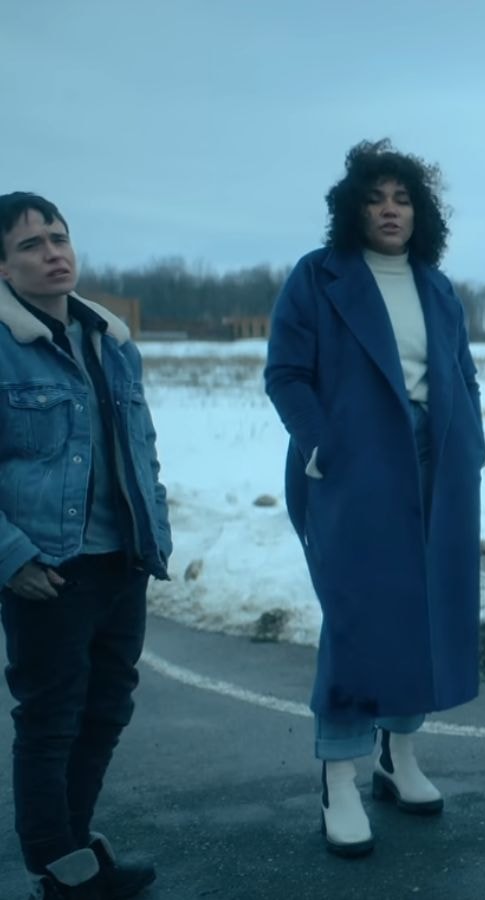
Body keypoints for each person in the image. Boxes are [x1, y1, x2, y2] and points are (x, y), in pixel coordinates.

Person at [265, 139, 485, 858]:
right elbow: (285, 374)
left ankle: (401, 755)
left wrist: (471, 453)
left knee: (425, 613)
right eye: (376, 198)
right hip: (355, 468)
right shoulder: (318, 278)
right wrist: (322, 445)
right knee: (359, 617)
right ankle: (338, 775)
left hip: (437, 468)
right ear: (351, 208)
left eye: (404, 199)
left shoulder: (437, 285)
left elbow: (463, 377)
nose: (391, 210)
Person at [0, 192, 170, 899]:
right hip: (49, 571)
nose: (53, 253)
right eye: (32, 245)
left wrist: (153, 533)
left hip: (119, 562)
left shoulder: (109, 339)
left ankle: (73, 844)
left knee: (105, 710)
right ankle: (57, 863)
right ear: (3, 267)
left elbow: (141, 447)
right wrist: (11, 558)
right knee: (51, 718)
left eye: (60, 238)